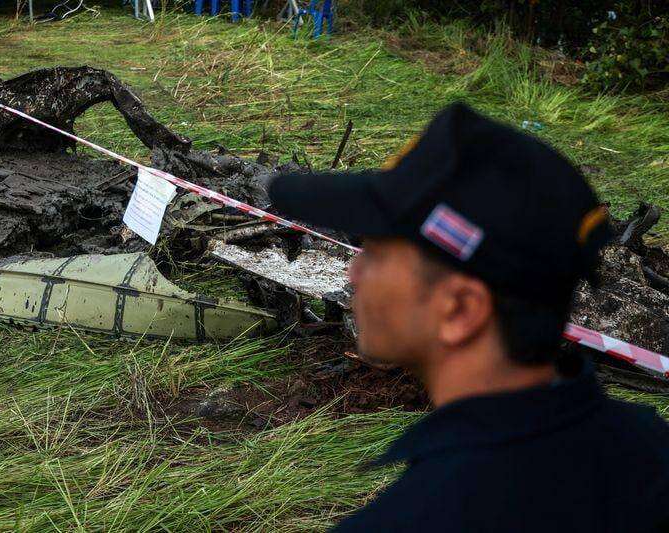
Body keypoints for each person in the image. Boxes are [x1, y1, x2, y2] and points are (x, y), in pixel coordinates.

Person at [268, 103, 669, 532]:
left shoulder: (417, 518)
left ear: (460, 309)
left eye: (378, 252)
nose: (355, 272)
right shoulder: (651, 448)